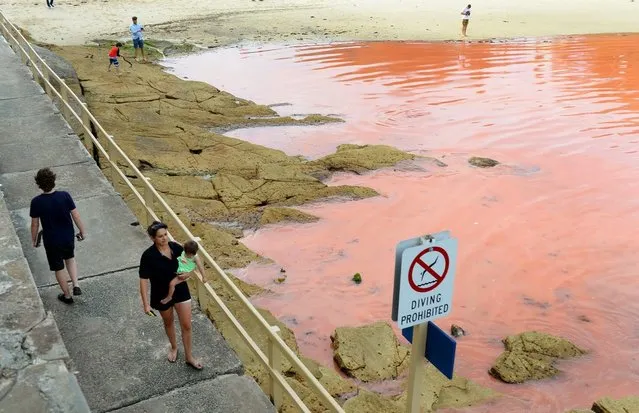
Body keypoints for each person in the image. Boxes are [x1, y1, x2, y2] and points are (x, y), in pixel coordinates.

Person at [139, 221, 203, 369]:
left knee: (186, 325)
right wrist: (145, 304)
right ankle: (174, 347)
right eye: (160, 236)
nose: (164, 238)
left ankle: (189, 357)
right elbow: (143, 280)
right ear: (152, 238)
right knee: (168, 322)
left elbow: (190, 265)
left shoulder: (176, 247)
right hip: (160, 294)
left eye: (165, 234)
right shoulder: (148, 256)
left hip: (180, 290)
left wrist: (187, 274)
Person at [30, 168, 86, 304]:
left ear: (39, 184)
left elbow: (35, 225)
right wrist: (82, 231)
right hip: (67, 236)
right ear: (54, 181)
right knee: (70, 259)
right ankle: (76, 284)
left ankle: (67, 296)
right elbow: (76, 215)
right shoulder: (65, 196)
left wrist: (34, 239)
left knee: (58, 268)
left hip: (52, 240)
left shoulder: (36, 202)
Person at [160, 240, 204, 305]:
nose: (187, 255)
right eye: (186, 253)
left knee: (172, 284)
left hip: (184, 272)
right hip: (179, 265)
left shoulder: (195, 257)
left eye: (188, 254)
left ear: (193, 253)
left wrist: (204, 276)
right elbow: (181, 245)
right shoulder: (186, 249)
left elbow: (201, 267)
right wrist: (175, 241)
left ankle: (169, 297)